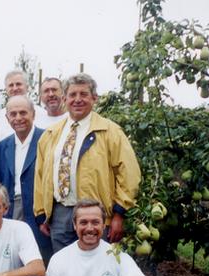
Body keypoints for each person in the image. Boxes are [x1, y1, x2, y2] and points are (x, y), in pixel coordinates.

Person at [34, 73, 141, 253]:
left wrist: (118, 214)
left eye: (83, 94)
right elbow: (40, 176)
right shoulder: (50, 135)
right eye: (72, 95)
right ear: (64, 99)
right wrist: (41, 213)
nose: (77, 100)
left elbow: (129, 173)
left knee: (96, 266)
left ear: (94, 98)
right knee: (65, 267)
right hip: (59, 215)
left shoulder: (110, 131)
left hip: (96, 215)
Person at [0, 95, 52, 262]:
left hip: (38, 210)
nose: (18, 118)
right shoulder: (1, 146)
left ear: (33, 114)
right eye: (13, 114)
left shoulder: (47, 139)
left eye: (23, 113)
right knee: (12, 257)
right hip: (11, 209)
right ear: (7, 118)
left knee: (40, 257)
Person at [0, 70, 47, 141]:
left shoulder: (42, 113)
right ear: (6, 89)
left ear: (27, 87)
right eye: (11, 85)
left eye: (18, 84)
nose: (15, 88)